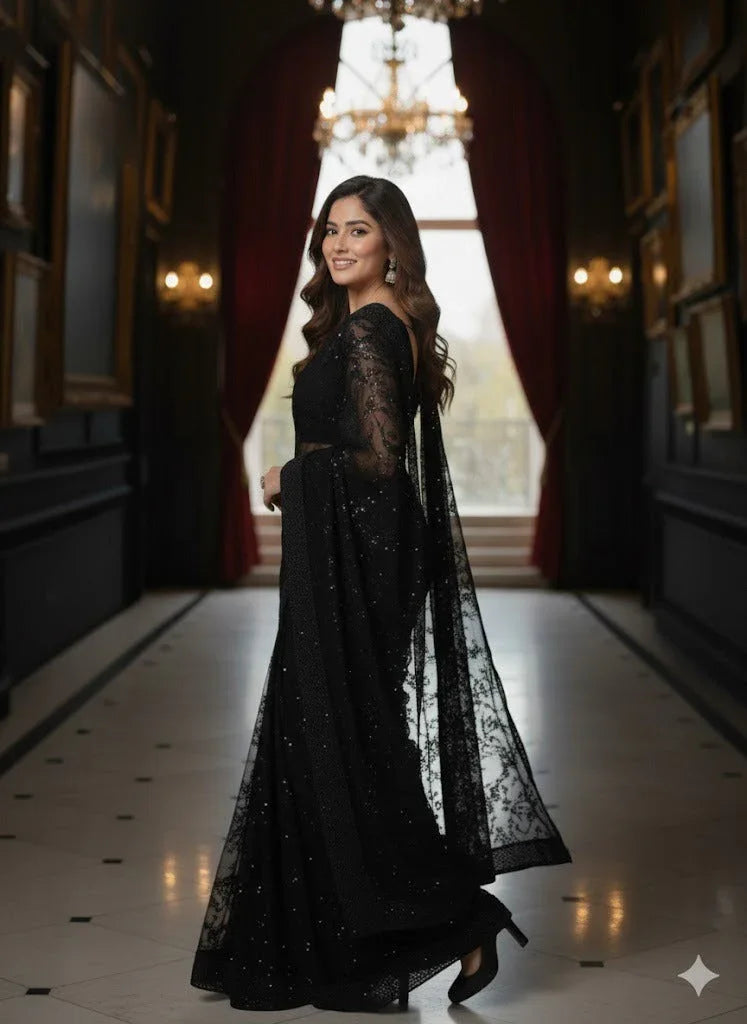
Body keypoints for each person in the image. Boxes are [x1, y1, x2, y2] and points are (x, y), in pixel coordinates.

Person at [190, 175, 572, 1013]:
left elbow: (375, 460)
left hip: (360, 565)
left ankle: (451, 917)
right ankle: (368, 929)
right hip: (356, 558)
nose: (336, 245)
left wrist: (289, 474)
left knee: (345, 744)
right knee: (340, 739)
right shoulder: (373, 324)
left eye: (356, 231)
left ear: (390, 242)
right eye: (329, 230)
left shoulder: (370, 329)